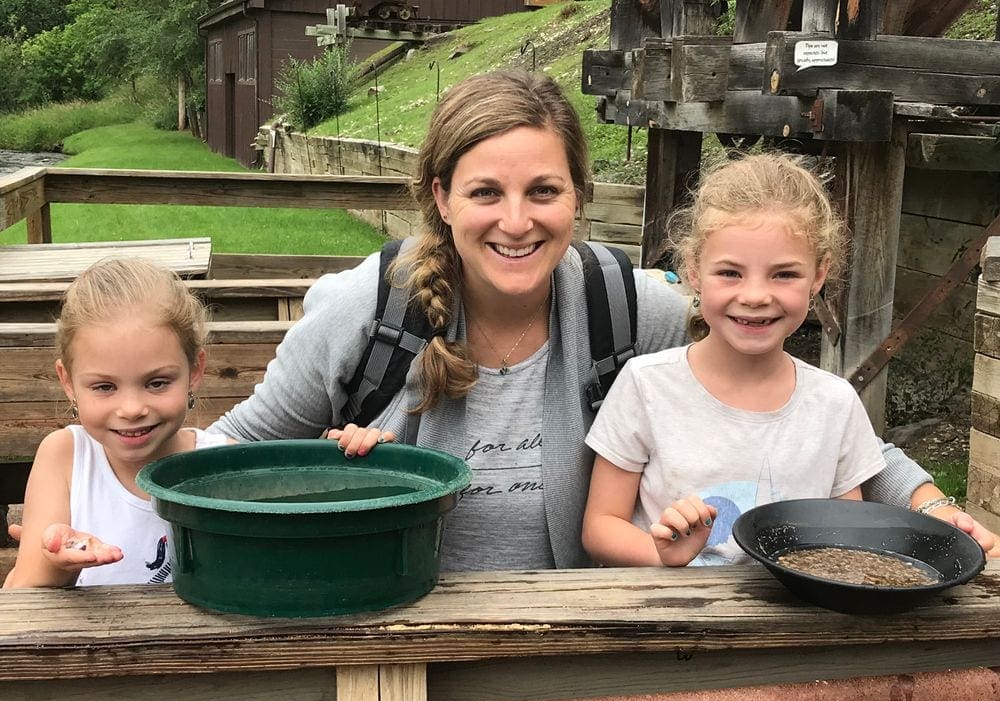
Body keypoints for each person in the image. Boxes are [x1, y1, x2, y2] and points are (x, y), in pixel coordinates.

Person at [209, 68, 998, 569]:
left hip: (580, 643)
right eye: (486, 192)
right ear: (441, 197)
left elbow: (799, 409)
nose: (516, 221)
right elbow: (230, 450)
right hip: (399, 633)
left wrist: (930, 507)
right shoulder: (370, 314)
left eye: (543, 191)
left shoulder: (630, 310)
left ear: (579, 197)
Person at [583, 153, 890, 566]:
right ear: (694, 269)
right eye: (730, 272)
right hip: (671, 622)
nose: (755, 295)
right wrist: (665, 554)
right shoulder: (646, 384)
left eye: (784, 274)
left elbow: (847, 538)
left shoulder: (835, 403)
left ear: (819, 275)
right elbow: (601, 526)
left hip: (792, 627)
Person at [3, 258, 230, 589]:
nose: (132, 409)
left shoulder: (223, 465)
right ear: (68, 382)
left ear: (195, 371)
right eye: (104, 387)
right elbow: (20, 596)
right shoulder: (66, 456)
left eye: (157, 383)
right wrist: (59, 564)